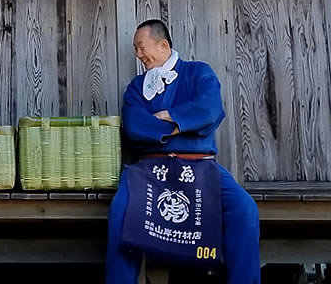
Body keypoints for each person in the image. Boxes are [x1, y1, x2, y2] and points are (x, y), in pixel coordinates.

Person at [106, 19, 260, 284]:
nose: (138, 55)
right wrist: (184, 126)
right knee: (120, 211)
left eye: (141, 47)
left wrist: (172, 119)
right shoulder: (136, 87)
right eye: (135, 49)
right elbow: (134, 126)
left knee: (245, 209)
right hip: (150, 170)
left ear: (163, 45)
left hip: (200, 166)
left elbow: (210, 110)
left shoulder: (199, 72)